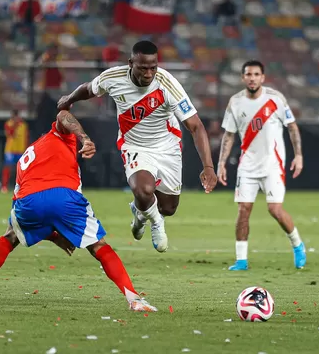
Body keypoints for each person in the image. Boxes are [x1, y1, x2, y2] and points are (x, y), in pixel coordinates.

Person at [0, 110, 157, 312]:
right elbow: (64, 114)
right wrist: (85, 139)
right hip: (64, 197)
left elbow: (24, 207)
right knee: (98, 246)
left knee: (10, 236)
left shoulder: (27, 158)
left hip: (27, 201)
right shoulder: (60, 135)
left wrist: (54, 236)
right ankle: (134, 299)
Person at [57, 40, 218, 253]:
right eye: (143, 68)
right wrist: (69, 99)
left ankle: (140, 214)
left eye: (153, 67)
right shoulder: (113, 78)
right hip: (134, 145)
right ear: (131, 63)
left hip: (167, 147)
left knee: (168, 208)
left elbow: (195, 126)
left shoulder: (167, 84)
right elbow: (88, 89)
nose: (149, 73)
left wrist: (208, 166)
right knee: (144, 190)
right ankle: (156, 224)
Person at [217, 60, 306, 271]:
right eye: (248, 74)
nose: (252, 78)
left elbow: (292, 127)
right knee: (243, 210)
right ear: (242, 78)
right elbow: (229, 135)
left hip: (273, 165)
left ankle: (297, 244)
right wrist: (221, 163)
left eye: (256, 74)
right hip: (247, 166)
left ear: (262, 78)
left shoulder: (276, 99)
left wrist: (299, 155)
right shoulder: (235, 102)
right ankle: (241, 261)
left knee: (275, 209)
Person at [2, 109, 29, 193]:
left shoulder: (24, 125)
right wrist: (15, 124)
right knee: (8, 167)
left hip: (21, 150)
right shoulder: (8, 124)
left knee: (22, 170)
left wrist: (26, 149)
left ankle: (22, 187)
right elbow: (10, 133)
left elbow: (26, 138)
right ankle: (4, 186)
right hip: (10, 149)